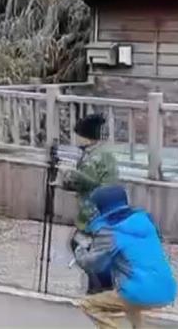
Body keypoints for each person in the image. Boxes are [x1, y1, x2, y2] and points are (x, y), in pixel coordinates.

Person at [74, 185, 177, 329]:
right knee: (131, 306)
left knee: (89, 304)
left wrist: (80, 250)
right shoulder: (145, 221)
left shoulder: (110, 231)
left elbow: (94, 265)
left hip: (138, 291)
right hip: (167, 289)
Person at [62, 113, 119, 293]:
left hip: (94, 212)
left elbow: (87, 181)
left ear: (85, 136)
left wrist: (68, 174)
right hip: (107, 209)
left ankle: (100, 289)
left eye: (77, 134)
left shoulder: (93, 158)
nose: (75, 138)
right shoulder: (102, 152)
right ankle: (101, 287)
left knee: (81, 245)